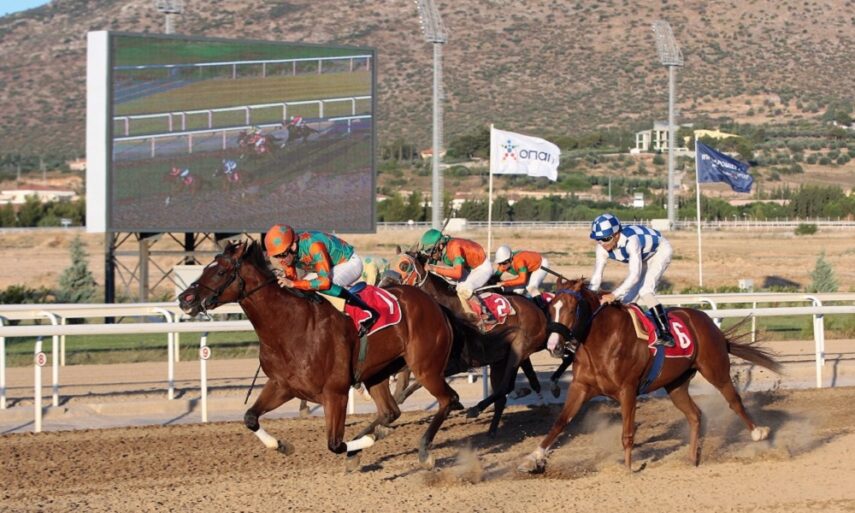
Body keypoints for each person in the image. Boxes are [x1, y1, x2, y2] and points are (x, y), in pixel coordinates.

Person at [264, 224, 378, 337]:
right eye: (277, 256)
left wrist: (293, 283)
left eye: (282, 255)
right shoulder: (289, 252)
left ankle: (369, 312)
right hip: (330, 267)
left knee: (323, 286)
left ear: (293, 246)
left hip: (349, 263)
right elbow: (291, 280)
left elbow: (324, 282)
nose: (281, 260)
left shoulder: (314, 246)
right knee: (303, 286)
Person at [588, 213, 675, 347]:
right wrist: (589, 295)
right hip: (644, 255)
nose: (602, 243)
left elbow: (634, 276)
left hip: (660, 251)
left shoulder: (631, 241)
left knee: (645, 290)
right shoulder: (601, 247)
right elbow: (597, 276)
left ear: (616, 234)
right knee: (626, 300)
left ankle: (665, 333)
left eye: (605, 239)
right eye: (598, 239)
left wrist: (613, 295)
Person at [418, 228, 494, 322]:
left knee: (463, 289)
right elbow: (431, 263)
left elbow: (457, 274)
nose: (430, 255)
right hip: (469, 268)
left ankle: (484, 314)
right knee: (445, 277)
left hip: (482, 268)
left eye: (430, 251)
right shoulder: (442, 249)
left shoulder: (454, 247)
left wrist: (433, 268)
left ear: (440, 246)